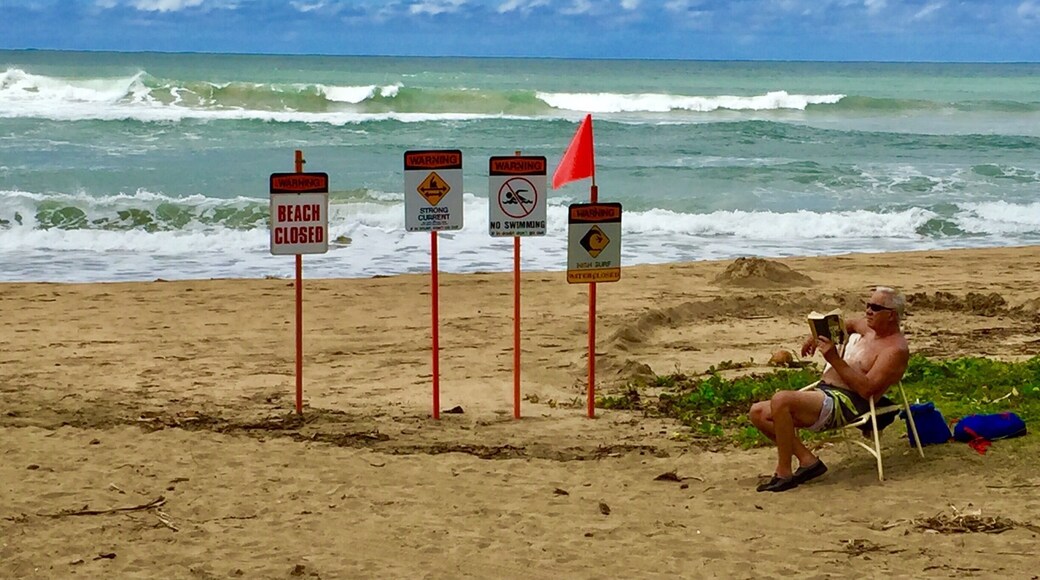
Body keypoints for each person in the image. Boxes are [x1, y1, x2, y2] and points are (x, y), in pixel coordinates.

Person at [748, 286, 910, 492]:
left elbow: (867, 389)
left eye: (876, 307)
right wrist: (818, 335)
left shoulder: (894, 350)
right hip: (825, 392)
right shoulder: (870, 330)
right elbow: (849, 324)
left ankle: (784, 472)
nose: (868, 311)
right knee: (758, 412)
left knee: (781, 400)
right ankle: (809, 462)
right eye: (868, 305)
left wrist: (833, 358)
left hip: (848, 402)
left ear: (891, 315)